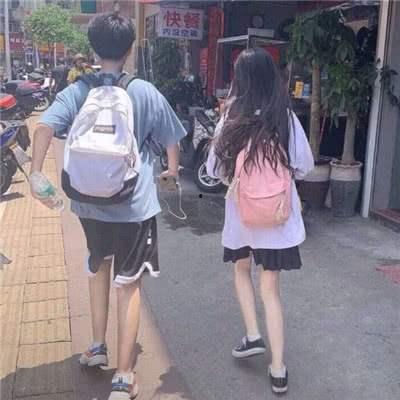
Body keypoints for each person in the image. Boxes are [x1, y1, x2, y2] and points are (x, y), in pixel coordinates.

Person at [30, 12, 186, 400]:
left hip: (87, 205)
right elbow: (172, 141)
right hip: (133, 206)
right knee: (129, 285)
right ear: (130, 49)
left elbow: (44, 127)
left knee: (97, 266)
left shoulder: (78, 90)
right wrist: (170, 173)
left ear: (94, 50)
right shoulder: (144, 91)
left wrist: (35, 174)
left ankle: (97, 346)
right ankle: (124, 376)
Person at [207, 48, 314, 394]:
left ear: (240, 79)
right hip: (278, 217)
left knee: (241, 271)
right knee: (271, 289)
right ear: (272, 77)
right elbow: (305, 166)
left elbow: (213, 170)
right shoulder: (285, 117)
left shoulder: (231, 117)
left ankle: (253, 334)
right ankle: (278, 369)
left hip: (241, 215)